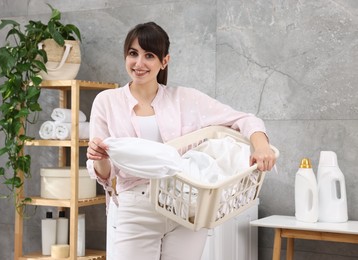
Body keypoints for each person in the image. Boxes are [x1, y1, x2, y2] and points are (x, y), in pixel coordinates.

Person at [86, 21, 276, 260]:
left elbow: (244, 119)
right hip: (136, 207)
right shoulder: (107, 101)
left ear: (164, 61)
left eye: (149, 55)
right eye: (133, 54)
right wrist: (100, 158)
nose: (139, 63)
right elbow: (106, 174)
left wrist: (261, 145)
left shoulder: (185, 99)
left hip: (186, 205)